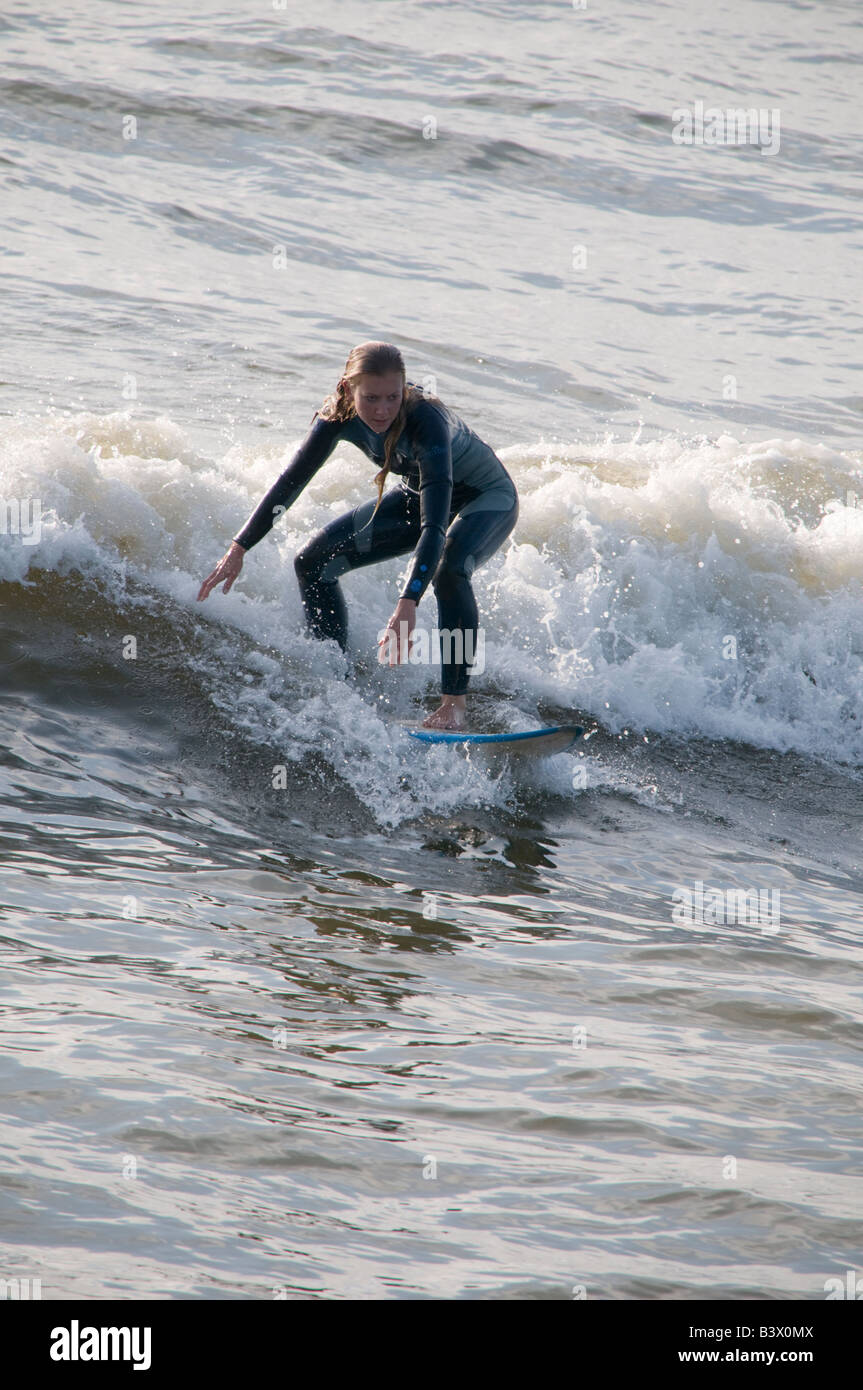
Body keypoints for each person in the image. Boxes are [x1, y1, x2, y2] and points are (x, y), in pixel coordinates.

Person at [197, 341, 518, 730]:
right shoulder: (335, 416)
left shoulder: (426, 420)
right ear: (349, 391)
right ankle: (337, 686)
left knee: (449, 571)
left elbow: (433, 526)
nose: (383, 410)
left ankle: (454, 704)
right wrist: (239, 546)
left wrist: (407, 601)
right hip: (419, 492)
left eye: (393, 398)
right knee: (313, 564)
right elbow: (290, 483)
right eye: (371, 399)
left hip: (485, 497)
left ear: (404, 390)